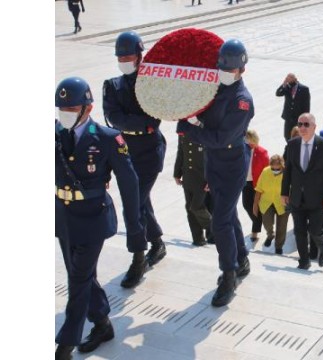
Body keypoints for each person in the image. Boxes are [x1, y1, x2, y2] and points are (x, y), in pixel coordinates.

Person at [54, 77, 143, 359]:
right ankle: (103, 324)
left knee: (78, 280)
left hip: (93, 218)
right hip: (63, 218)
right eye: (61, 108)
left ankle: (66, 345)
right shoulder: (55, 133)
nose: (64, 113)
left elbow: (130, 185)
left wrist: (135, 229)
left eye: (71, 108)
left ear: (88, 108)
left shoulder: (107, 138)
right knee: (80, 275)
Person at [177, 39, 254, 307]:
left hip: (232, 161)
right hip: (213, 160)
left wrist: (190, 130)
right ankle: (241, 258)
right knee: (227, 212)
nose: (223, 72)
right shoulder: (215, 89)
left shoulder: (242, 101)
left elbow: (221, 137)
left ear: (241, 70)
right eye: (221, 67)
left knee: (220, 219)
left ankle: (229, 274)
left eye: (228, 68)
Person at [103, 31, 166, 288]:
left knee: (134, 205)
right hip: (125, 154)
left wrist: (137, 124)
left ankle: (138, 258)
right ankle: (158, 243)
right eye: (121, 56)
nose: (124, 60)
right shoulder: (112, 85)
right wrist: (141, 124)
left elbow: (156, 118)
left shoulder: (152, 84)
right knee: (140, 202)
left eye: (128, 56)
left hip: (150, 153)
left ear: (140, 56)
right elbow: (113, 118)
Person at [281, 113, 323, 270]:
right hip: (297, 197)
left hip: (317, 198)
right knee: (299, 231)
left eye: (306, 124)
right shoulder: (292, 144)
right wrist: (284, 192)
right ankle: (303, 261)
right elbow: (288, 171)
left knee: (314, 230)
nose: (302, 128)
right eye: (300, 124)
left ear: (314, 127)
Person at [174, 125, 212, 246]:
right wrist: (177, 173)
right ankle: (198, 238)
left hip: (202, 177)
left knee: (196, 207)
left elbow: (213, 157)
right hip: (188, 175)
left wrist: (211, 179)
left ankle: (216, 229)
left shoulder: (205, 130)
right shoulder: (184, 130)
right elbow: (181, 152)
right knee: (189, 208)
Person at [254, 155, 290, 254]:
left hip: (283, 203)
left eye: (277, 168)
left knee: (282, 226)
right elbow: (259, 189)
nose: (275, 169)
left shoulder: (288, 173)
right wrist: (255, 205)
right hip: (267, 202)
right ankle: (270, 235)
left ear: (282, 165)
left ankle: (279, 247)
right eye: (273, 167)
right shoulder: (265, 171)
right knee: (267, 222)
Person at [242, 130, 269, 242]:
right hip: (245, 182)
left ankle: (255, 230)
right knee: (246, 205)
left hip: (258, 184)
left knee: (255, 206)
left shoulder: (262, 152)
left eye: (248, 139)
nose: (246, 141)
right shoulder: (243, 150)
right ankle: (258, 222)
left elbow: (267, 169)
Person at [276, 73, 311, 141]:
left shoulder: (304, 89)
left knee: (298, 135)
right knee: (287, 135)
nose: (289, 80)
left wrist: (305, 118)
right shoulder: (287, 87)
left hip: (298, 118)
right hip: (288, 117)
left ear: (295, 79)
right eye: (287, 79)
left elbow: (307, 104)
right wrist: (284, 84)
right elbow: (278, 93)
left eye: (290, 78)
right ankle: (289, 148)